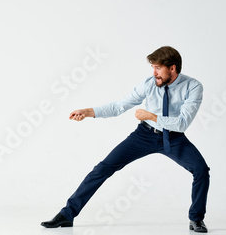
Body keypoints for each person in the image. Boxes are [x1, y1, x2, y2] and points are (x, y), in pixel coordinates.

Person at [41, 46, 210, 233]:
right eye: (152, 67)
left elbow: (182, 123)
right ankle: (66, 215)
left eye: (158, 68)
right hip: (144, 135)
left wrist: (151, 116)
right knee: (102, 168)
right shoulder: (150, 83)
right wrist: (88, 112)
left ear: (172, 68)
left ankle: (196, 219)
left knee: (201, 170)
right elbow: (120, 105)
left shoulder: (193, 87)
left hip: (174, 138)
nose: (154, 73)